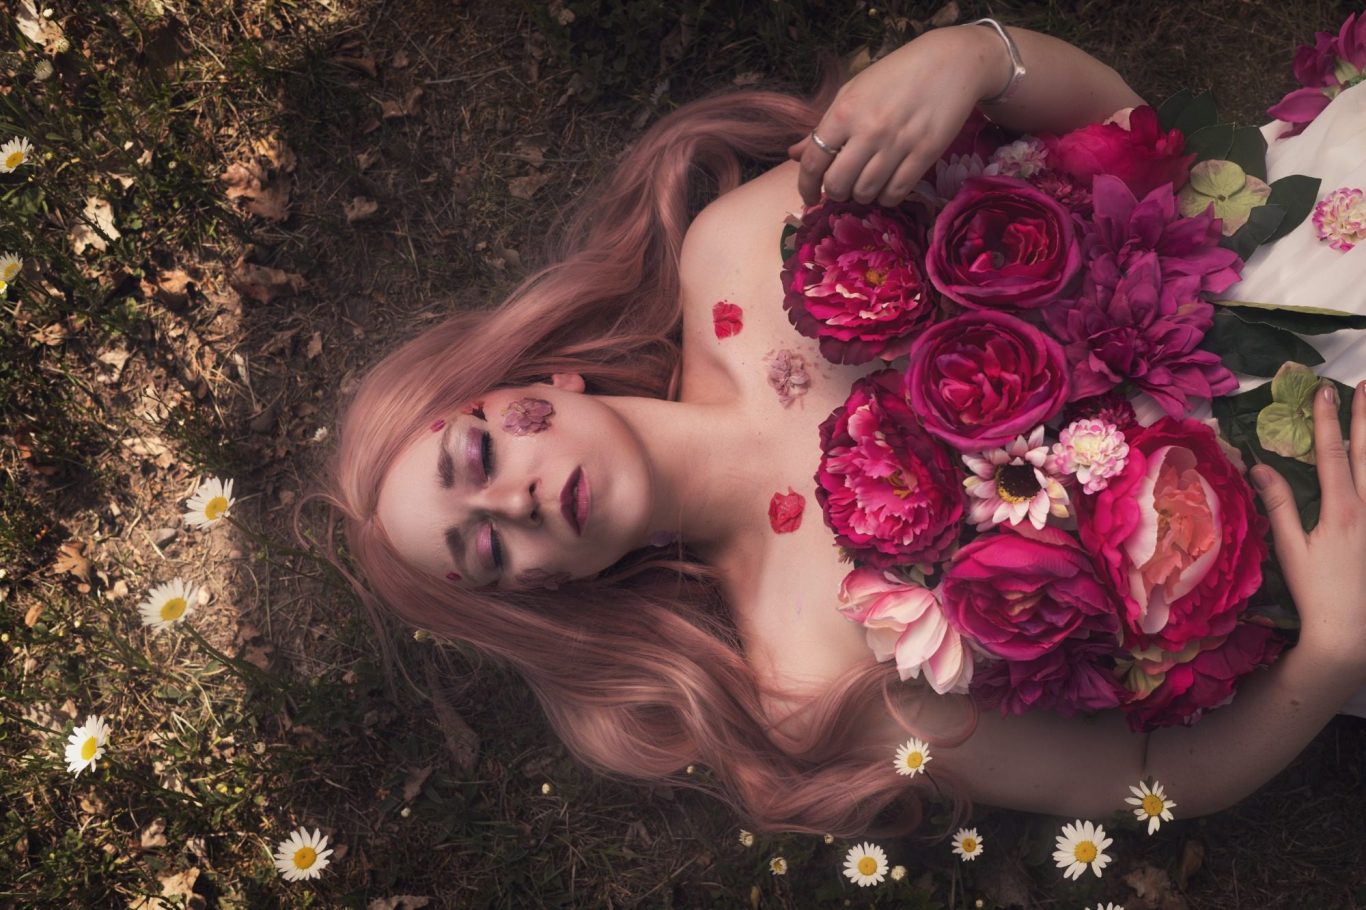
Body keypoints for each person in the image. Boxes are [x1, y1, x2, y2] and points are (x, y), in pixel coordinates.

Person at [321, 21, 1366, 836]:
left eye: (479, 454)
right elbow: (1144, 779)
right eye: (487, 548)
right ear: (544, 590)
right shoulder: (807, 677)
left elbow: (1134, 150)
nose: (513, 500)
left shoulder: (735, 250)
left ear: (530, 380)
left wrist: (975, 56)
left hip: (1308, 249)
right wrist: (1328, 656)